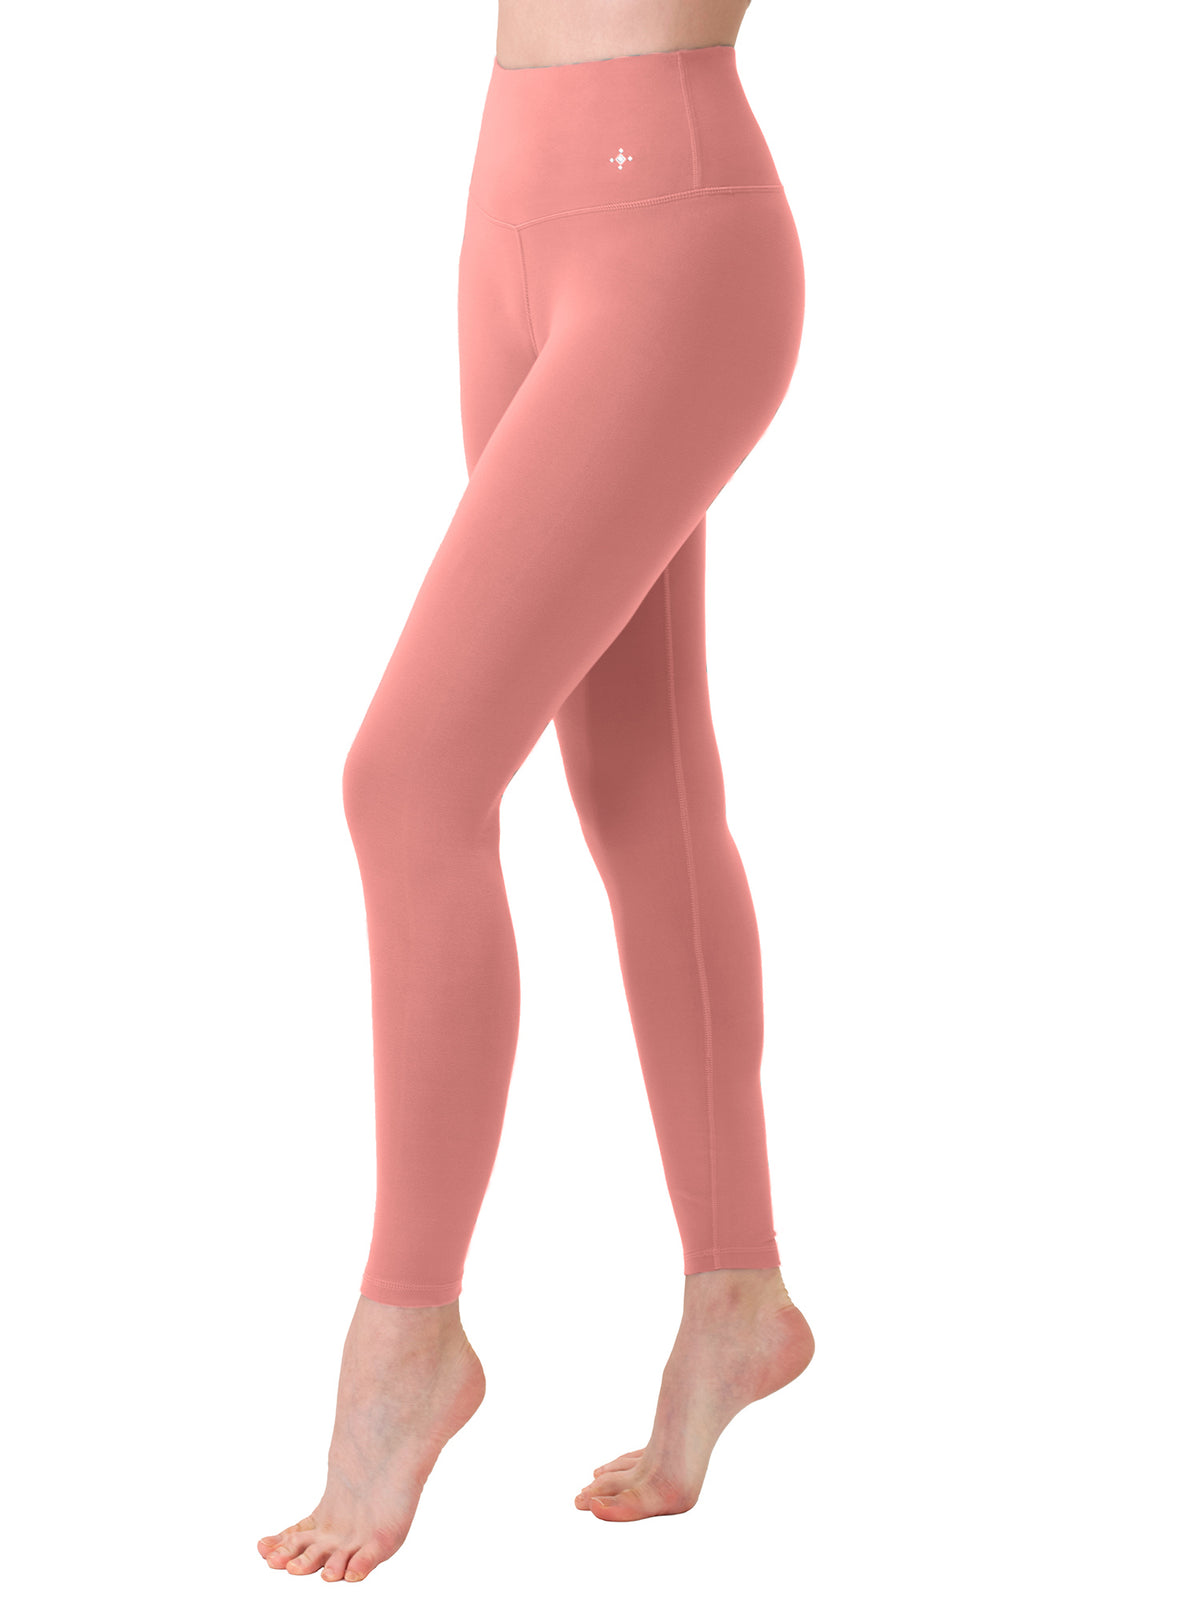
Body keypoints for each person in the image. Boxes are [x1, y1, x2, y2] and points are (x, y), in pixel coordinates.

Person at [257, 0, 814, 1582]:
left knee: (409, 779)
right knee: (638, 778)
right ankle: (737, 1290)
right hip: (508, 199)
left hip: (675, 221)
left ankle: (407, 1332)